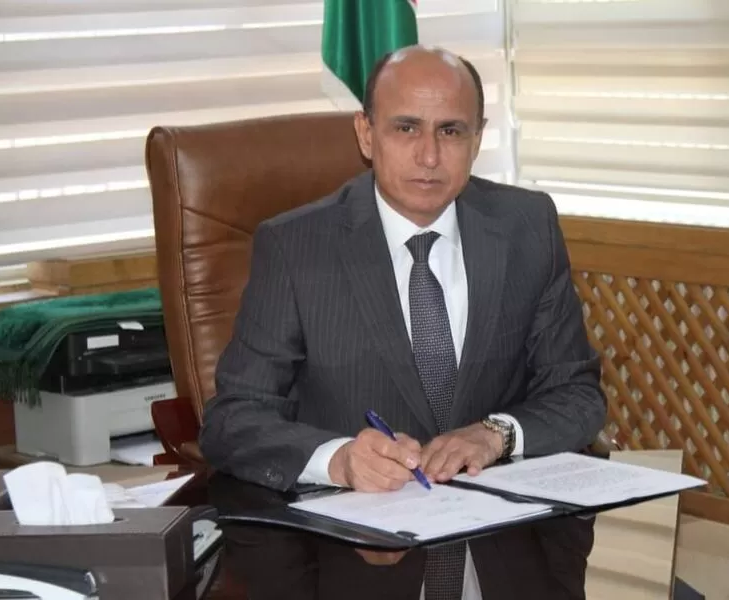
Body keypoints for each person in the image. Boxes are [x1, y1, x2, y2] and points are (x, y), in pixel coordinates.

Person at [199, 45, 607, 600]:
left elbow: (577, 393)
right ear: (366, 135)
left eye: (451, 131)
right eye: (406, 128)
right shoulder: (295, 248)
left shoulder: (527, 227)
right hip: (357, 557)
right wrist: (339, 460)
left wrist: (497, 433)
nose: (429, 156)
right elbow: (233, 419)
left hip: (502, 546)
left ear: (478, 139)